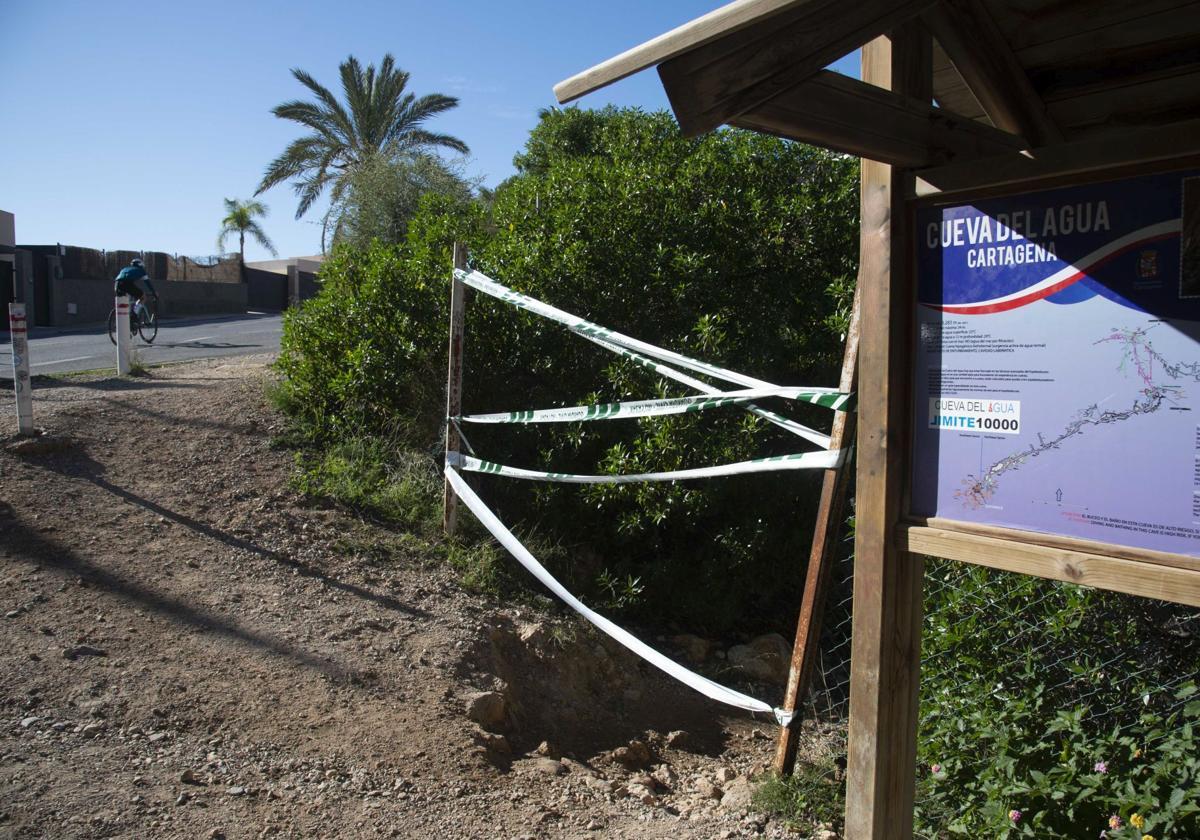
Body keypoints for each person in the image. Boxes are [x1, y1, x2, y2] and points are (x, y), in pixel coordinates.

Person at [114, 258, 158, 323]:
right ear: (141, 265)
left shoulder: (125, 269)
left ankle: (127, 320)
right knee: (143, 297)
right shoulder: (141, 271)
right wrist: (154, 293)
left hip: (117, 284)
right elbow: (148, 283)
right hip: (127, 284)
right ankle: (134, 315)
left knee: (124, 300)